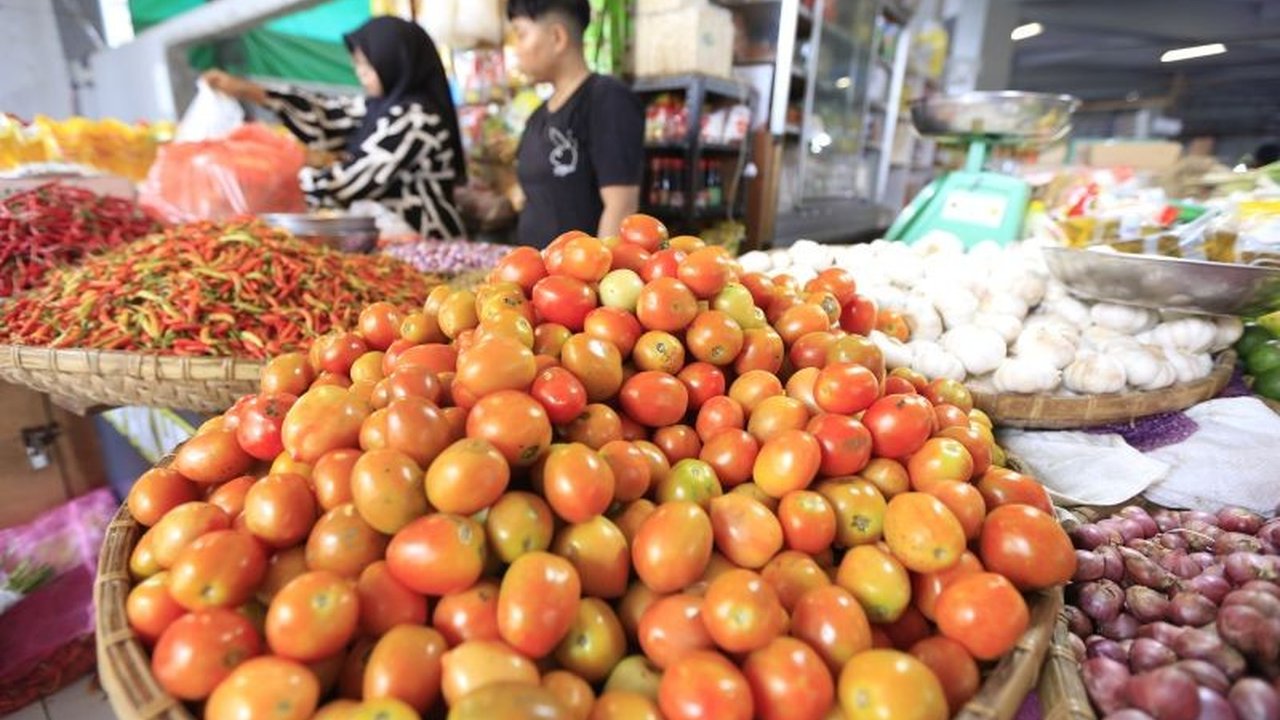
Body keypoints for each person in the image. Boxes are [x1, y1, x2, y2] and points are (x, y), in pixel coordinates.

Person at [203, 16, 467, 240]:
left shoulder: (417, 118)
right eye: (358, 64)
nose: (359, 72)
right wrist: (249, 91)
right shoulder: (378, 108)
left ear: (393, 59)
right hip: (393, 237)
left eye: (366, 64)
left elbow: (358, 178)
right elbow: (327, 116)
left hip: (427, 241)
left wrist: (277, 183)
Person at [508, 0, 644, 247]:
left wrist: (598, 278)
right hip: (537, 277)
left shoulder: (607, 99)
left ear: (557, 37)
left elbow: (621, 205)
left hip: (577, 279)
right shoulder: (537, 117)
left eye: (521, 34)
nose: (516, 49)